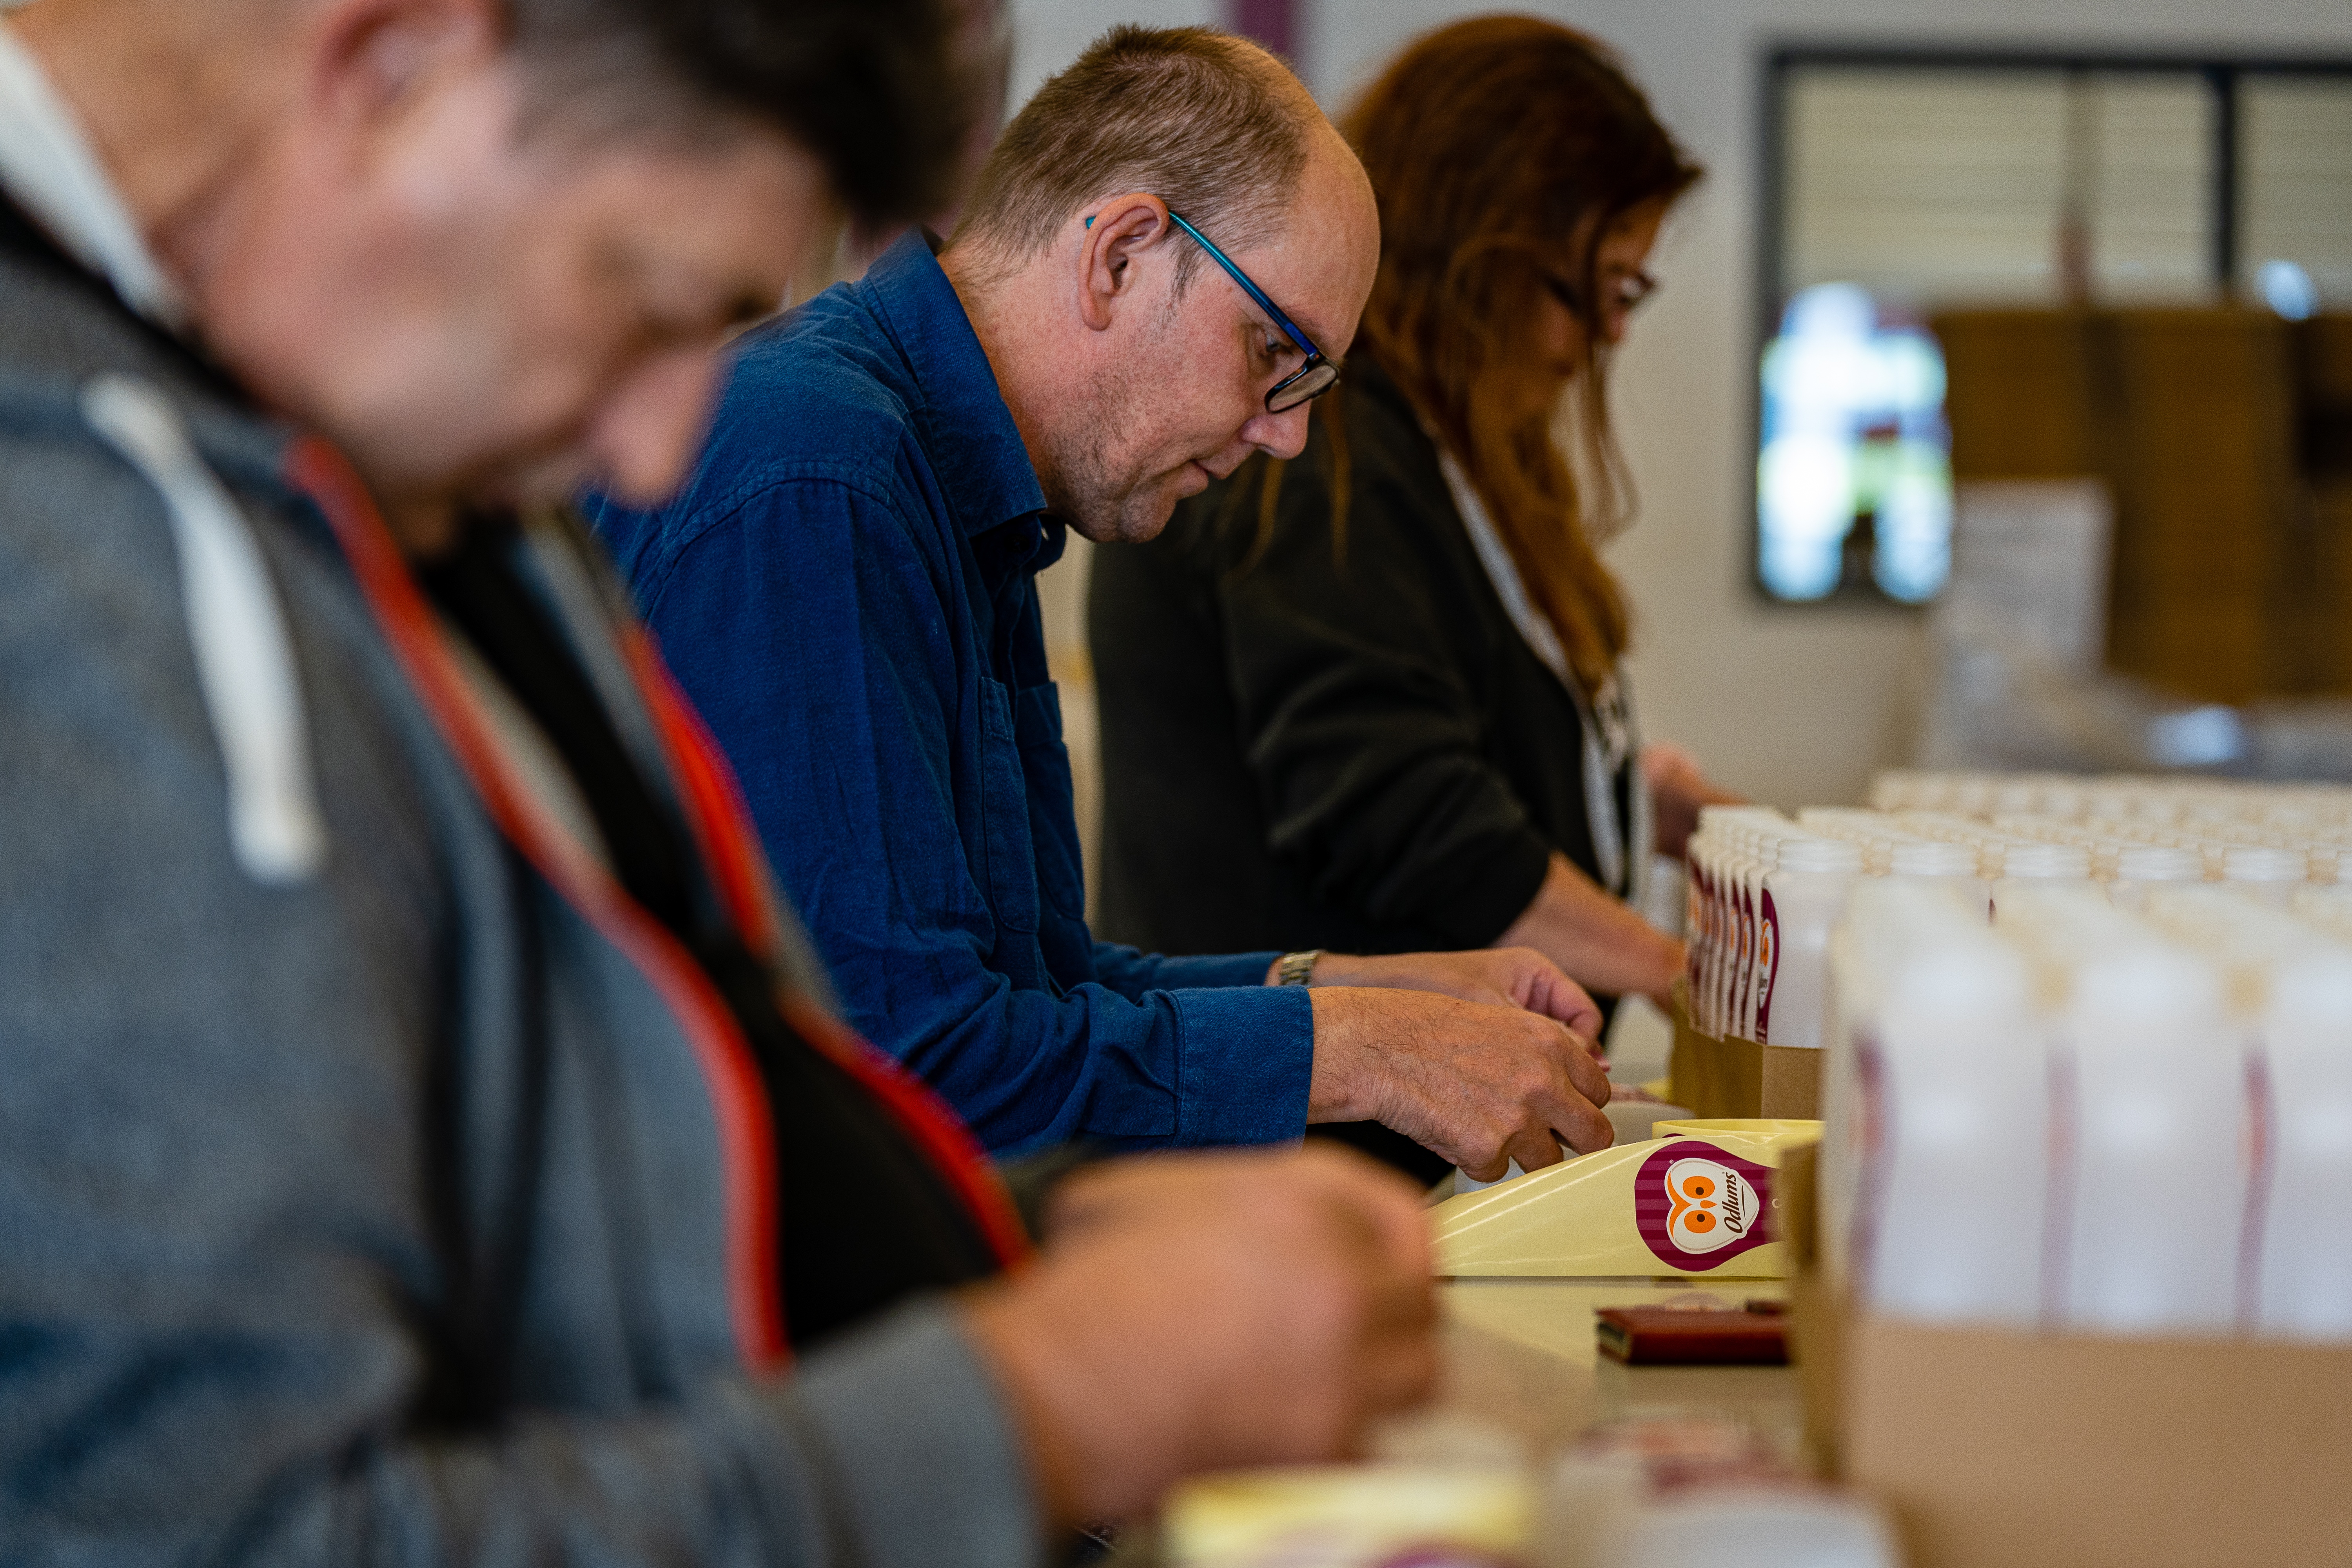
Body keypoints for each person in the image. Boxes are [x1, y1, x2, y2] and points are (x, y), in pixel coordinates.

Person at [0, 0, 1438, 1562]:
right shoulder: (83, 557)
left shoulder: (412, 459)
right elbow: (218, 1527)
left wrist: (1051, 1262)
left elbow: (581, 1224)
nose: (660, 443)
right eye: (643, 297)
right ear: (392, 63)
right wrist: (1038, 1402)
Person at [588, 25, 1615, 1187]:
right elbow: (913, 1067)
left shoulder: (965, 484)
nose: (1286, 434)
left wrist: (1357, 990)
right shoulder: (822, 477)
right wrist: (1366, 1054)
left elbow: (1032, 984)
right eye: (1273, 352)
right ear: (1121, 255)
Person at [1087, 16, 1744, 1182]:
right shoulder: (1316, 455)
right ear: (1478, 248)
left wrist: (1626, 798)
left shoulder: (1419, 445)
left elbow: (1421, 707)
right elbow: (1396, 806)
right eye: (1591, 286)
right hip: (1298, 1153)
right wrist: (1675, 970)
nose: (1607, 335)